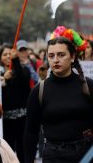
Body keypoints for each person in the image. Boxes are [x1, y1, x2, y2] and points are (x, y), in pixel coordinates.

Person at [24, 27, 93, 163]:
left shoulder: (89, 86)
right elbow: (30, 132)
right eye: (51, 56)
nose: (55, 60)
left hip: (86, 154)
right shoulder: (39, 91)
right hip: (53, 155)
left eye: (61, 55)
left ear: (72, 57)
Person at [0, 44, 31, 163]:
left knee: (23, 149)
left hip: (22, 118)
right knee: (8, 150)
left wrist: (16, 61)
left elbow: (22, 79)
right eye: (5, 54)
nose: (8, 56)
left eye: (10, 54)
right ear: (0, 57)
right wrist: (3, 78)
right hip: (5, 120)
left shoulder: (23, 70)